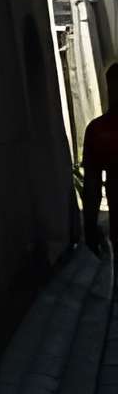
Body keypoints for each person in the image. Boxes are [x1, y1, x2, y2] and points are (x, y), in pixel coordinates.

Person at [82, 65, 118, 254]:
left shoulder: (99, 130)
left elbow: (92, 185)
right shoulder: (99, 131)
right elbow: (91, 184)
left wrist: (89, 226)